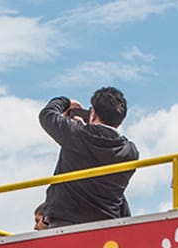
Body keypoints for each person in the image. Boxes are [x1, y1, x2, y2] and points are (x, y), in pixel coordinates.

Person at [39, 87, 139, 227]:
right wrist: (83, 125)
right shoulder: (130, 152)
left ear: (93, 114)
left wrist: (66, 102)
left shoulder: (76, 134)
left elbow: (46, 115)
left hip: (65, 224)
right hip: (108, 225)